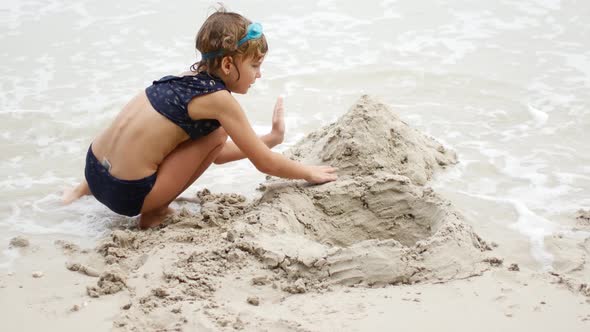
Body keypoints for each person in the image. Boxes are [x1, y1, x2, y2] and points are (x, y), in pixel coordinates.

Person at [62, 8, 338, 229]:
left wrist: (271, 138)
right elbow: (261, 162)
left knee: (191, 135)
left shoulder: (185, 79)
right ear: (228, 65)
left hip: (93, 171)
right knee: (217, 132)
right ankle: (154, 214)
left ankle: (78, 193)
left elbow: (214, 155)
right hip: (126, 196)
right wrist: (308, 171)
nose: (259, 75)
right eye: (255, 65)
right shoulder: (219, 101)